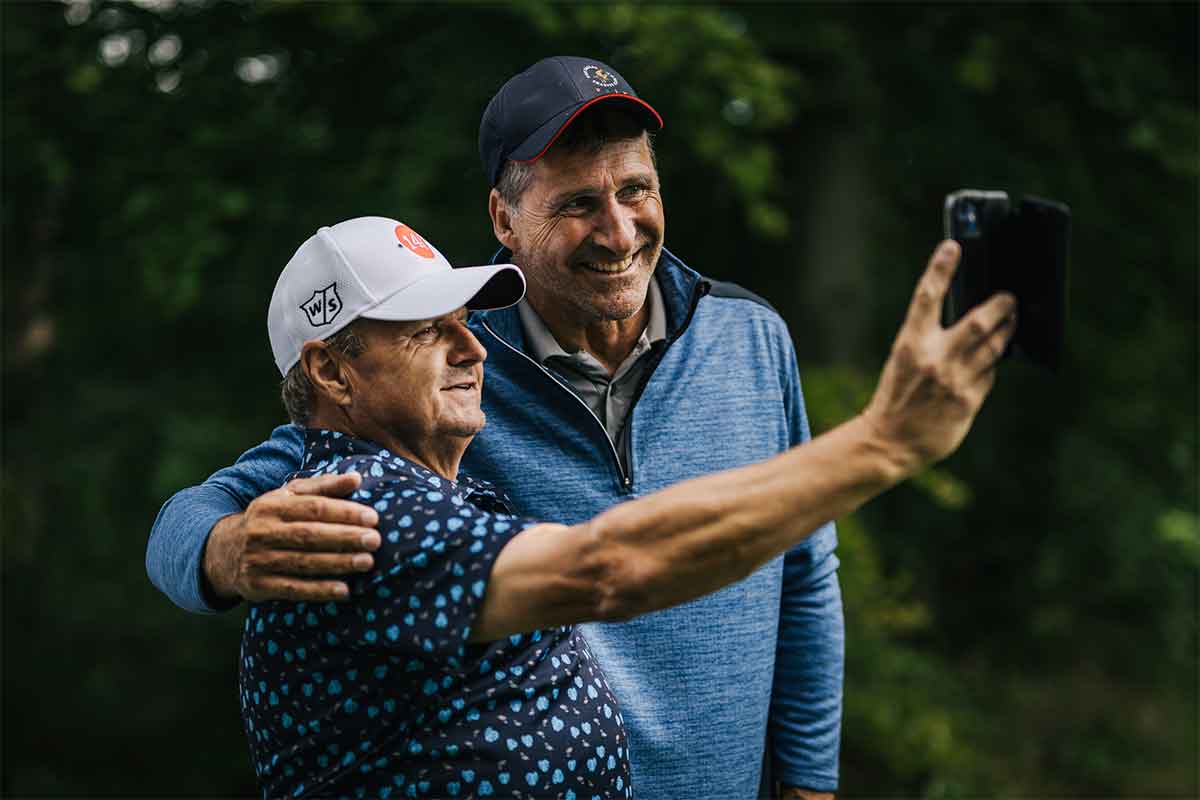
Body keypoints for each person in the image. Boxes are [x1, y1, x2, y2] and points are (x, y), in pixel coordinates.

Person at [145, 57, 1012, 798]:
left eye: (637, 190)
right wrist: (221, 553)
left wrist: (810, 776)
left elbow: (805, 567)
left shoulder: (749, 337)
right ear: (503, 220)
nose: (619, 229)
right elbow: (205, 513)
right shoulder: (430, 393)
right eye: (577, 204)